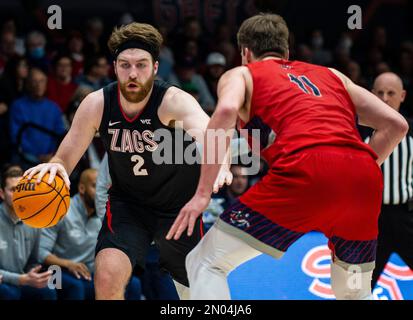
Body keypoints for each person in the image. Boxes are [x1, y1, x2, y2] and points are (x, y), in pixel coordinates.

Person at [166, 13, 409, 300]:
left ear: (245, 53)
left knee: (205, 263)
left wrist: (202, 194)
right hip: (363, 182)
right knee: (354, 292)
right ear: (287, 51)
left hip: (304, 173)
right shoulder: (333, 75)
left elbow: (226, 112)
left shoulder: (241, 74)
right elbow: (397, 125)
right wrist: (352, 174)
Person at [24, 22, 232, 300]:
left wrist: (223, 164)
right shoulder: (97, 104)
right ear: (114, 66)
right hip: (128, 205)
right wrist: (56, 166)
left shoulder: (172, 101)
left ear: (155, 68)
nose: (133, 73)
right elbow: (65, 158)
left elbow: (213, 136)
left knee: (195, 292)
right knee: (107, 274)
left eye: (141, 65)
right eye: (125, 65)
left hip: (176, 207)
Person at [39, 168, 141, 300]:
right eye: (95, 186)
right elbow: (41, 253)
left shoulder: (105, 214)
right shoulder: (61, 210)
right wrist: (68, 264)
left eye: (102, 188)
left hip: (86, 272)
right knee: (75, 287)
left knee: (132, 283)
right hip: (55, 270)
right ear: (82, 188)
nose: (100, 193)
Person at [366, 72, 413, 287]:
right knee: (362, 284)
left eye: (391, 93)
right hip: (374, 221)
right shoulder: (360, 136)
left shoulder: (412, 136)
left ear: (402, 96)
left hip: (407, 217)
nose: (385, 98)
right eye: (380, 93)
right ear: (372, 95)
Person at [0, 165, 56, 300]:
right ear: (1, 193)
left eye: (21, 189)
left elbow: (33, 261)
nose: (18, 194)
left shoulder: (33, 221)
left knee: (50, 290)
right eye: (13, 190)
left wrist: (35, 274)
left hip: (23, 278)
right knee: (10, 294)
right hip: (4, 281)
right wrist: (21, 279)